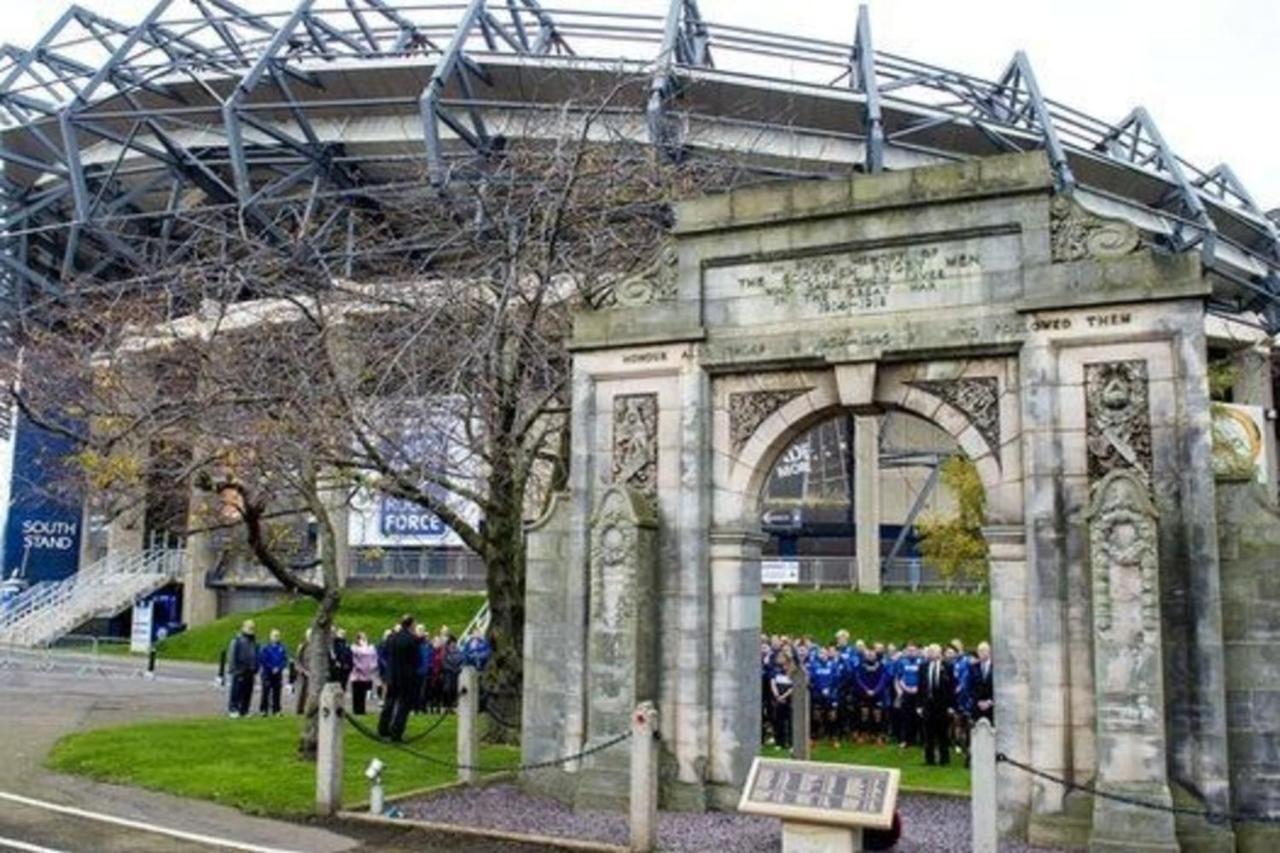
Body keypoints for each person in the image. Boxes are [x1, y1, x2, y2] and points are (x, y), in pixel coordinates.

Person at [378, 615, 420, 741]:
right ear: (411, 625)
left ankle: (383, 729)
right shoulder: (412, 640)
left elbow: (384, 653)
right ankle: (396, 732)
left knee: (389, 702)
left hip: (392, 675)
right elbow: (415, 660)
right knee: (403, 705)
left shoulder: (391, 638)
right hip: (406, 677)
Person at [919, 643, 955, 766]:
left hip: (942, 704)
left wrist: (951, 705)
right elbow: (921, 687)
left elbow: (951, 687)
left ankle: (944, 759)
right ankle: (929, 759)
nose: (930, 653)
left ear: (939, 653)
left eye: (933, 651)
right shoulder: (923, 666)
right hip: (928, 703)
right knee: (928, 733)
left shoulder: (947, 667)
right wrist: (919, 705)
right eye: (929, 651)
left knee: (942, 733)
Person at [226, 620, 258, 718]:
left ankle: (244, 710)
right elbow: (232, 656)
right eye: (249, 628)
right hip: (239, 670)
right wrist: (234, 670)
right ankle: (233, 709)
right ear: (243, 628)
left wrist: (255, 667)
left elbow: (255, 655)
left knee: (247, 691)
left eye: (252, 628)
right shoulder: (237, 640)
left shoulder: (253, 641)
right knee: (236, 691)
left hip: (250, 670)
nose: (251, 630)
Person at [257, 628, 288, 716]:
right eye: (274, 636)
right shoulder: (266, 648)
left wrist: (279, 668)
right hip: (267, 673)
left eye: (278, 636)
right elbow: (263, 660)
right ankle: (263, 710)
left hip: (278, 674)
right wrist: (271, 668)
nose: (276, 638)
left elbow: (284, 660)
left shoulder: (282, 648)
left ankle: (276, 710)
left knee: (277, 692)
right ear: (270, 637)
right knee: (265, 691)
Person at [770, 652, 796, 750]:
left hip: (788, 700)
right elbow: (772, 682)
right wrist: (777, 695)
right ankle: (779, 742)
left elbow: (793, 687)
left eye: (782, 658)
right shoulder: (776, 670)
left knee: (790, 722)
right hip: (778, 699)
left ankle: (791, 743)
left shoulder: (792, 672)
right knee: (778, 721)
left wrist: (784, 696)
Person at [350, 631, 378, 715]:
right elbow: (353, 659)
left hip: (368, 674)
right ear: (358, 639)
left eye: (365, 638)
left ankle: (362, 709)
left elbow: (375, 658)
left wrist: (372, 666)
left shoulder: (371, 648)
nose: (364, 639)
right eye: (362, 638)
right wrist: (359, 667)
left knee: (364, 693)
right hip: (357, 674)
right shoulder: (354, 648)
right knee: (357, 693)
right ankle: (356, 710)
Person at [973, 641, 995, 723]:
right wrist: (978, 701)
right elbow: (971, 686)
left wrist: (990, 702)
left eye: (983, 650)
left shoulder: (995, 666)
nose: (981, 653)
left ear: (989, 652)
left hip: (992, 706)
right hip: (978, 706)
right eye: (979, 651)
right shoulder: (974, 667)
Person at [294, 628, 312, 715]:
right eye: (309, 635)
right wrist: (303, 671)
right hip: (303, 676)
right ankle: (299, 711)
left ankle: (310, 710)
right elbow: (297, 662)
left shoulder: (315, 647)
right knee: (301, 694)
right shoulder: (302, 647)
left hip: (313, 675)